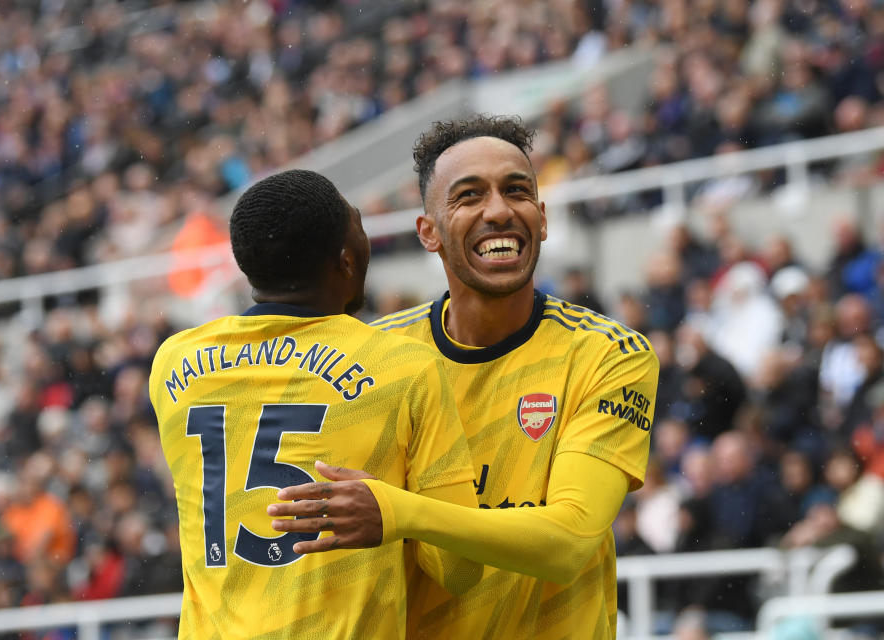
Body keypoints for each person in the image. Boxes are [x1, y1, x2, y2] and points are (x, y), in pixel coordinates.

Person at [269, 115, 659, 638]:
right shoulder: (372, 359)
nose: (499, 211)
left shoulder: (608, 354)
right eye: (469, 196)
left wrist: (400, 511)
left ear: (542, 219)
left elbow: (569, 542)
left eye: (516, 191)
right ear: (428, 232)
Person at [149, 169, 482, 639]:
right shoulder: (403, 368)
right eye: (359, 225)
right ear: (347, 261)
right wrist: (398, 511)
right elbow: (461, 569)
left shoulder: (173, 363)